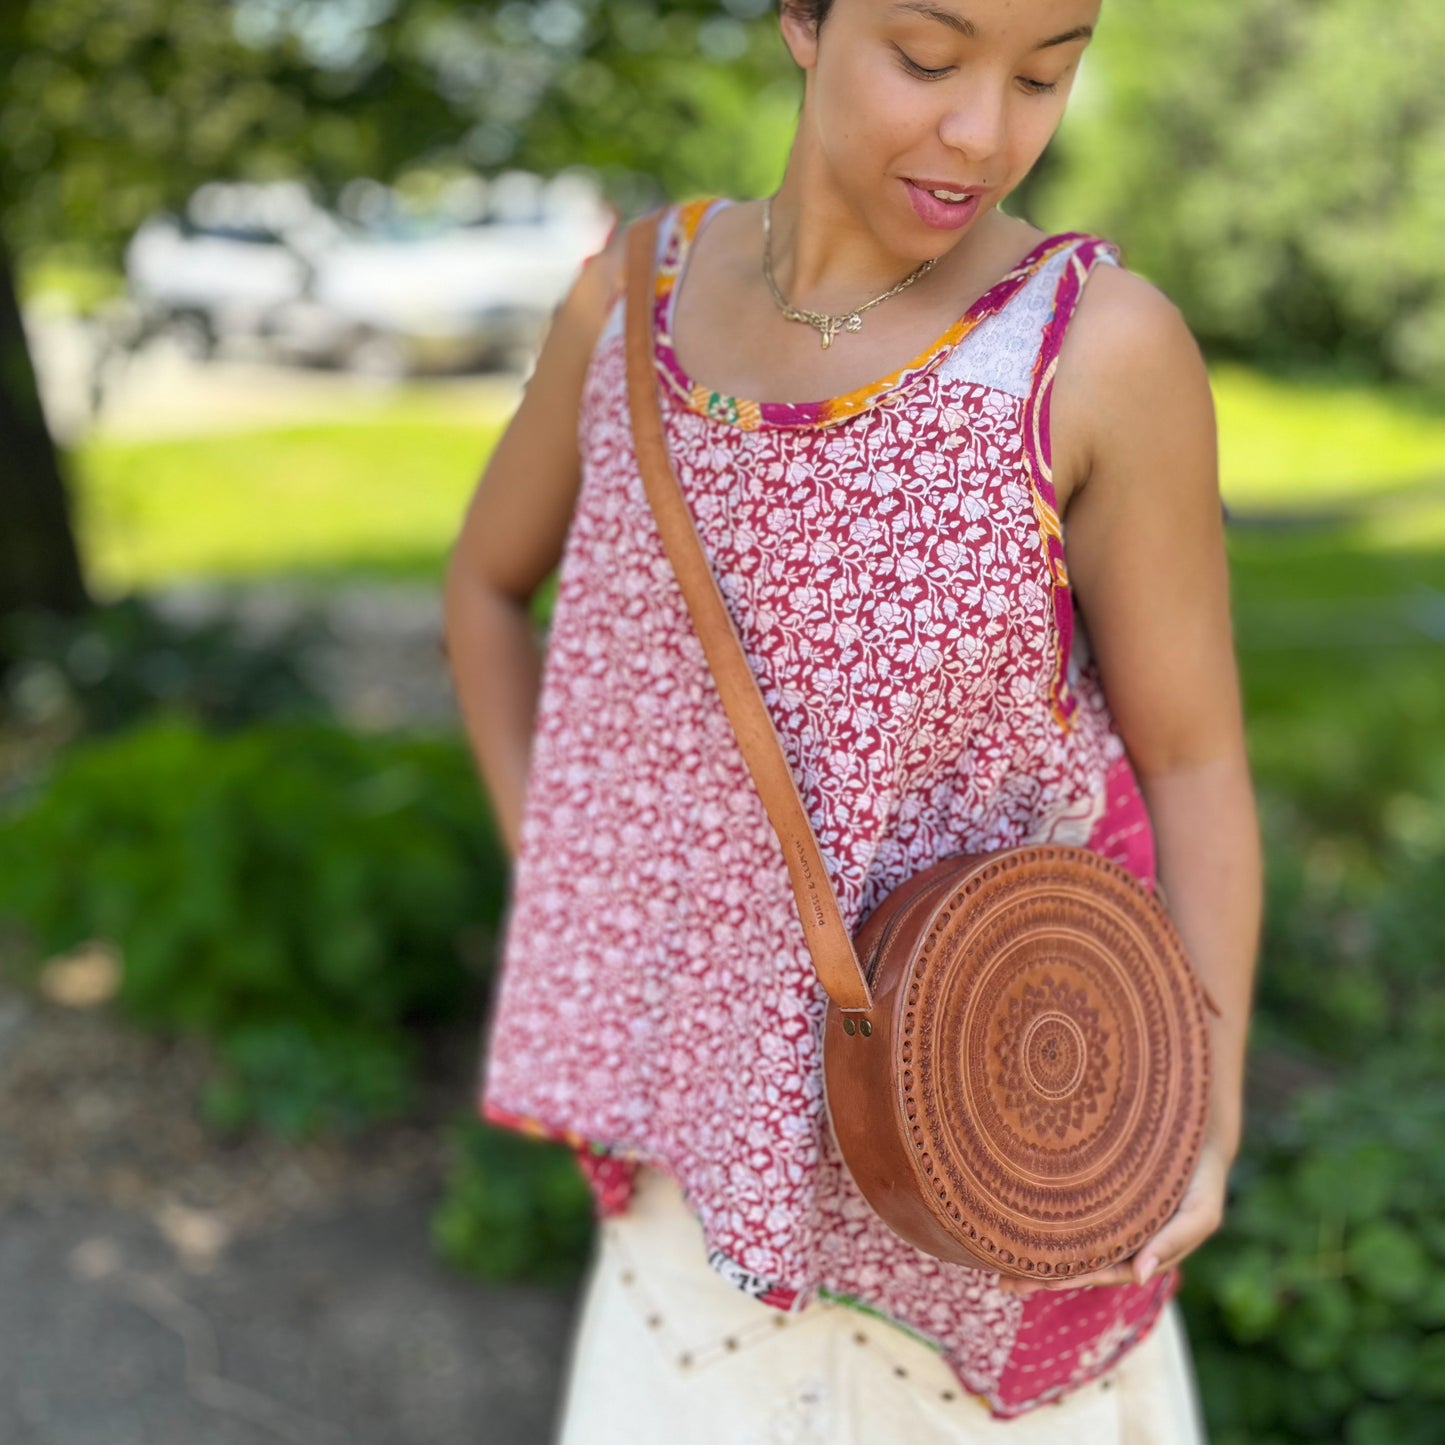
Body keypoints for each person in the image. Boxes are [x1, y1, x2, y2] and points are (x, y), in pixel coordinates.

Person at [442, 0, 1263, 1438]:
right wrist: (582, 889)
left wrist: (1210, 1093)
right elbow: (482, 588)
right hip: (691, 1206)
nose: (982, 132)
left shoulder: (1092, 351)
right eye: (929, 59)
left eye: (1044, 74)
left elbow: (1192, 756)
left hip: (993, 1180)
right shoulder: (629, 298)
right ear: (803, 21)